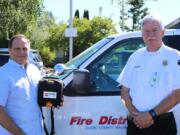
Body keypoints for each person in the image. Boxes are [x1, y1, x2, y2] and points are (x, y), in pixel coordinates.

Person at [118, 15, 180, 135]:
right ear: (141, 34)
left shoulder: (175, 57)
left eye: (154, 30)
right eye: (146, 31)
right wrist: (136, 115)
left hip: (162, 124)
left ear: (162, 32)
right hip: (135, 123)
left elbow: (178, 94)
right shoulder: (134, 57)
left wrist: (151, 115)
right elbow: (124, 92)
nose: (150, 34)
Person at [0, 34, 43, 135]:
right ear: (9, 51)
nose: (21, 52)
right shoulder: (3, 74)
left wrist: (54, 100)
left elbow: (40, 97)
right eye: (17, 48)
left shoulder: (34, 70)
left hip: (37, 131)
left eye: (25, 48)